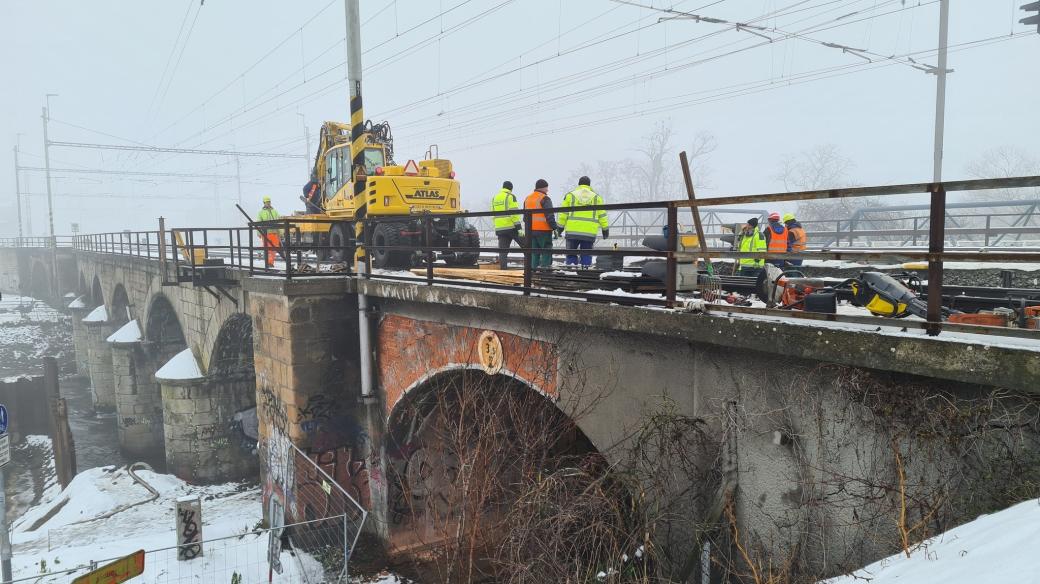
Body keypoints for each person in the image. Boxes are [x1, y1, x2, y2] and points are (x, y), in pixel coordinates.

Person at [559, 176, 609, 268]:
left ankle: (571, 270)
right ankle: (585, 270)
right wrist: (605, 229)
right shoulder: (596, 197)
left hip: (572, 231)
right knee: (586, 253)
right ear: (589, 185)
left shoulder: (570, 195)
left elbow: (563, 213)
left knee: (571, 253)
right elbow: (602, 215)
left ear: (579, 184)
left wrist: (560, 228)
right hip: (589, 232)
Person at [524, 179, 559, 270]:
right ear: (543, 188)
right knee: (546, 250)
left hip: (531, 231)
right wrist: (555, 228)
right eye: (547, 188)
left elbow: (525, 217)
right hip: (544, 230)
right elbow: (549, 215)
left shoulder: (527, 199)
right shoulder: (545, 198)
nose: (547, 190)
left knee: (534, 252)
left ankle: (533, 272)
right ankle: (545, 271)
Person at [491, 181, 523, 269]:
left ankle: (503, 270)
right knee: (526, 247)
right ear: (511, 189)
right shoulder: (510, 196)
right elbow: (514, 213)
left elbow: (493, 214)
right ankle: (530, 269)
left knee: (503, 252)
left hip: (500, 229)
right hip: (512, 227)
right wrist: (519, 228)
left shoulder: (495, 198)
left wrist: (497, 226)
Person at [257, 196, 282, 268]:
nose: (268, 203)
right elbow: (258, 223)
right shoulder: (261, 213)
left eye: (269, 202)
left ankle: (271, 262)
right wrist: (259, 233)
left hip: (274, 233)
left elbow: (279, 221)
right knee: (268, 248)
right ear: (264, 203)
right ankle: (268, 262)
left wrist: (281, 232)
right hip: (266, 233)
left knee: (274, 248)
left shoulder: (274, 211)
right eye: (266, 202)